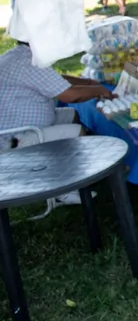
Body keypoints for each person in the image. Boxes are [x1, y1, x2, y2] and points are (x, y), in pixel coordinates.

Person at [0, 41, 113, 204]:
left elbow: (56, 80)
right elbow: (70, 95)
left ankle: (66, 169)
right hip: (14, 141)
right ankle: (66, 189)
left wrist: (88, 83)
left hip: (21, 129)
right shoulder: (29, 62)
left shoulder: (20, 56)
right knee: (76, 131)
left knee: (71, 114)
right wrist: (100, 90)